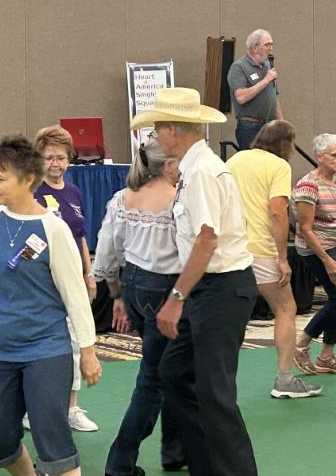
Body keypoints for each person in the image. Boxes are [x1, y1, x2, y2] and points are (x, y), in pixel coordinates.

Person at [0, 134, 100, 476]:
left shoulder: (54, 229)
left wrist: (88, 350)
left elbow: (75, 295)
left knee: (52, 437)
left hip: (45, 348)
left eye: (1, 178)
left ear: (28, 180)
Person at [134, 87, 258, 476]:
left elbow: (207, 239)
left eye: (158, 127)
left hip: (222, 289)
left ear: (172, 129)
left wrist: (176, 298)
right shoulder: (193, 169)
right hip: (208, 289)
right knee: (175, 373)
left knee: (215, 393)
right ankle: (206, 465)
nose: (155, 135)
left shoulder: (202, 171)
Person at [93, 136, 186, 476]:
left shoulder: (122, 198)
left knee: (167, 370)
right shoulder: (178, 201)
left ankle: (175, 449)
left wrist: (117, 295)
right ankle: (120, 461)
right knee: (155, 378)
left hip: (133, 284)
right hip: (166, 288)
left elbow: (106, 252)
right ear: (169, 165)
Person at [227, 120, 322, 399]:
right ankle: (284, 379)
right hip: (261, 247)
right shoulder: (279, 166)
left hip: (232, 248)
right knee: (285, 308)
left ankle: (217, 381)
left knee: (230, 317)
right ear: (286, 143)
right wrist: (283, 257)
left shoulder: (235, 160)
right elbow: (278, 211)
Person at [32, 125, 98, 433]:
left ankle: (72, 407)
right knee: (39, 344)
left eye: (60, 157)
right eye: (49, 158)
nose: (55, 164)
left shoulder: (74, 192)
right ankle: (31, 409)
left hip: (72, 280)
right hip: (42, 281)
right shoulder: (33, 193)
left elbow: (81, 236)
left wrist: (89, 273)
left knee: (74, 341)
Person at [292, 134, 336, 377]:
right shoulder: (308, 185)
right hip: (315, 249)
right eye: (335, 155)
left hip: (335, 245)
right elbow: (305, 229)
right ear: (320, 156)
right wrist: (327, 260)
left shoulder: (334, 182)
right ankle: (301, 345)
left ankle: (326, 356)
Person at [228, 29, 283, 150]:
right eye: (267, 45)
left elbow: (273, 97)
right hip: (250, 127)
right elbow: (241, 97)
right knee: (253, 160)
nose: (271, 49)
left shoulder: (268, 66)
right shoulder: (239, 67)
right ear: (254, 48)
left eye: (271, 44)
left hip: (270, 126)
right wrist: (266, 80)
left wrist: (281, 123)